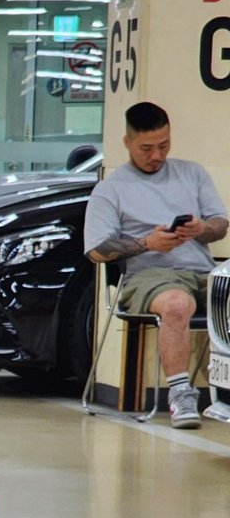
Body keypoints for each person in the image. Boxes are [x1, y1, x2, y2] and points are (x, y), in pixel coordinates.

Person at [83, 101, 229, 429]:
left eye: (164, 145)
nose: (157, 155)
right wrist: (147, 243)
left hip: (201, 271)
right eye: (147, 148)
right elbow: (96, 251)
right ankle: (180, 395)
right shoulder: (110, 190)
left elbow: (220, 225)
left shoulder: (192, 173)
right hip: (147, 277)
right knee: (178, 304)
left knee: (219, 293)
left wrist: (201, 229)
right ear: (128, 143)